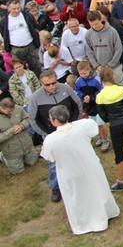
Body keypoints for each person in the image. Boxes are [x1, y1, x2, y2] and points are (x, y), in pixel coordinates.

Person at [40, 105, 120, 234]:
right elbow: (93, 129)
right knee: (97, 189)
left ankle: (87, 222)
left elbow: (49, 157)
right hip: (89, 166)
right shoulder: (83, 126)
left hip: (70, 173)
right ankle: (103, 214)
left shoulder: (50, 140)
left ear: (55, 121)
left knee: (77, 197)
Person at [29, 71, 84, 203]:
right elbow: (33, 119)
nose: (52, 87)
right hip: (52, 136)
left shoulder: (65, 89)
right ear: (41, 84)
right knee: (54, 164)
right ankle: (55, 187)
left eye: (54, 83)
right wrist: (47, 135)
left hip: (71, 131)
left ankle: (80, 180)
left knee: (76, 155)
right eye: (47, 85)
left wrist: (73, 126)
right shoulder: (36, 98)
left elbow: (77, 106)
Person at [85, 10, 123, 86]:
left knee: (120, 86)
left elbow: (118, 49)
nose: (94, 26)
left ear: (100, 19)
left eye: (96, 24)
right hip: (99, 68)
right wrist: (96, 66)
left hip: (114, 67)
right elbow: (89, 52)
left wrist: (110, 64)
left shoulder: (112, 31)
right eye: (92, 25)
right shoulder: (88, 34)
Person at [0, 97, 38, 174]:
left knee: (33, 162)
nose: (12, 113)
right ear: (1, 108)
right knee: (18, 172)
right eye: (9, 111)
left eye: (13, 110)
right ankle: (2, 156)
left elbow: (27, 119)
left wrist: (22, 126)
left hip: (26, 144)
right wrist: (11, 131)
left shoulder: (18, 108)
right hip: (11, 151)